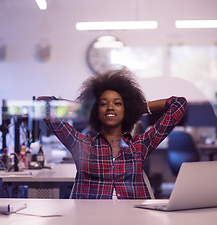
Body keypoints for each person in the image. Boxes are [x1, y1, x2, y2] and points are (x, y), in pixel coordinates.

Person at [38, 69, 187, 199]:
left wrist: (138, 107)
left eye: (117, 103)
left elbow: (179, 104)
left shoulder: (140, 145)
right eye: (103, 104)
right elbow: (43, 103)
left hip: (135, 217)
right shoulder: (81, 144)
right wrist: (84, 107)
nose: (110, 107)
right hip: (89, 217)